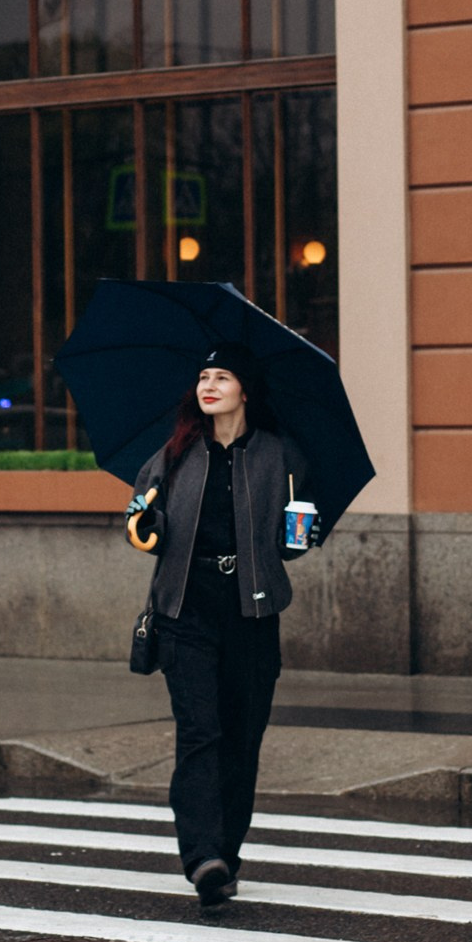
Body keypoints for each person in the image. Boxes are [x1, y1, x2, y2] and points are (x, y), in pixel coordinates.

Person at [123, 342, 317, 907]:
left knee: (241, 737)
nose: (209, 386)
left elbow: (293, 540)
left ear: (245, 391)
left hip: (252, 612)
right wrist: (144, 525)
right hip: (186, 609)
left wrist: (300, 534)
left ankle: (226, 856)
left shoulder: (281, 455)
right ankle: (202, 855)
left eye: (222, 377)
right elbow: (144, 519)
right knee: (200, 732)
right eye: (204, 377)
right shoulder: (175, 453)